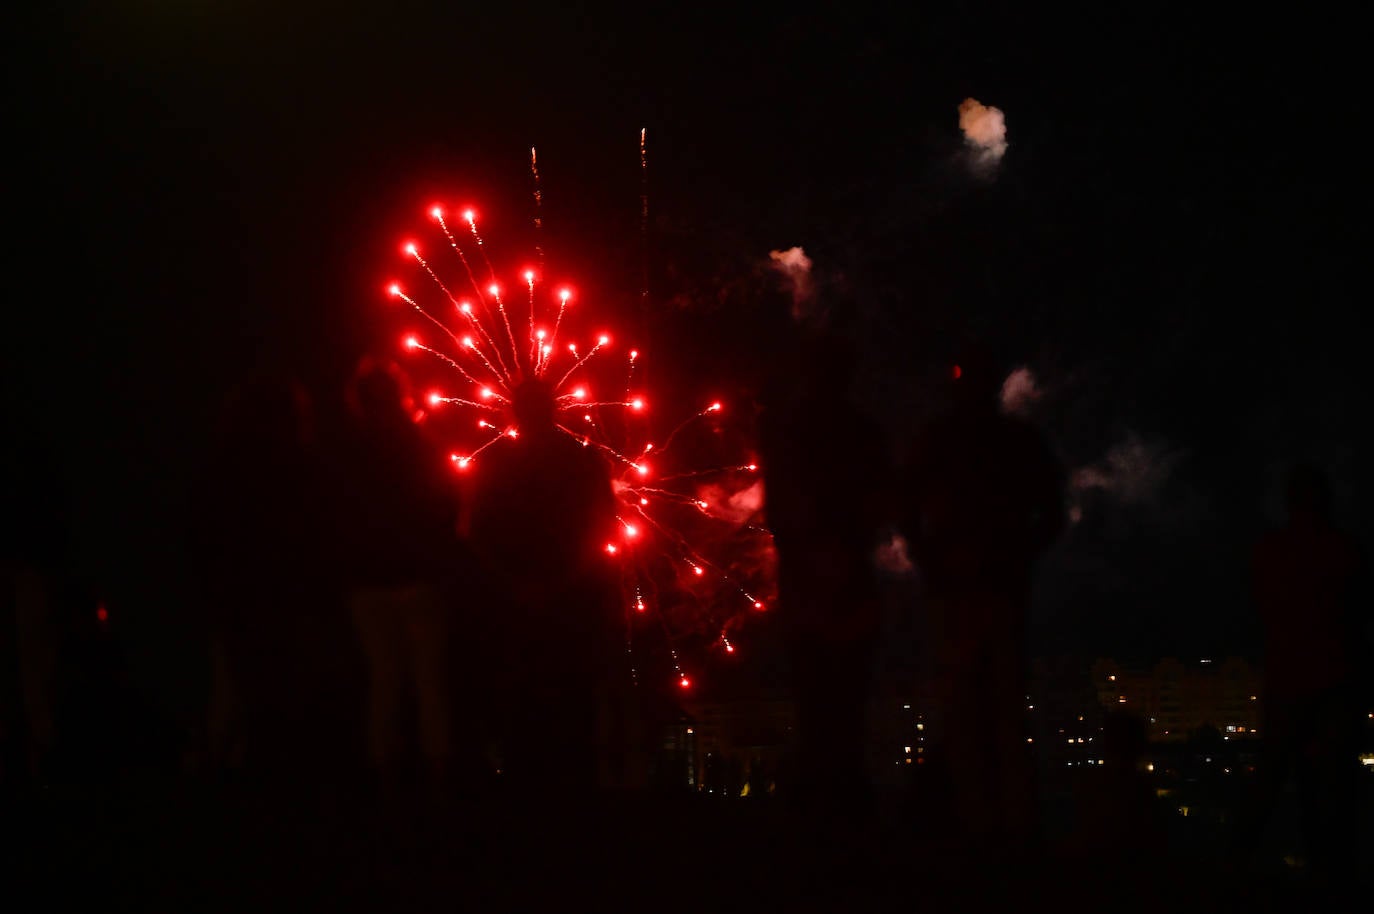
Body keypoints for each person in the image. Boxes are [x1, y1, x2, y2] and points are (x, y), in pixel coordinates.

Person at [895, 342, 1066, 850]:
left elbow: (906, 509)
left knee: (968, 711)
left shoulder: (940, 441)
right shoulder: (1017, 441)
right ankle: (1009, 831)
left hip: (964, 593)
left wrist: (932, 561)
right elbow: (1051, 514)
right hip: (999, 591)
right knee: (1003, 713)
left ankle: (980, 831)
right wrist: (1020, 558)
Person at [756, 314, 888, 832]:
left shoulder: (790, 432)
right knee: (845, 707)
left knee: (816, 704)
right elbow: (881, 504)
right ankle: (846, 813)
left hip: (812, 588)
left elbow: (780, 514)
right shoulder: (863, 434)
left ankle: (818, 817)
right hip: (845, 587)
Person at [462, 376, 622, 799]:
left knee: (523, 699)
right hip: (574, 598)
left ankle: (524, 795)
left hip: (515, 600)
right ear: (554, 408)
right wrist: (571, 579)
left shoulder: (494, 461)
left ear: (514, 410)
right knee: (573, 699)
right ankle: (576, 795)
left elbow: (473, 532)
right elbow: (606, 524)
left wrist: (513, 584)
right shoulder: (583, 458)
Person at [338, 355, 466, 804]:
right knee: (429, 679)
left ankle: (384, 774)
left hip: (368, 583)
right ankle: (437, 772)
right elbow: (449, 507)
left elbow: (337, 521)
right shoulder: (421, 446)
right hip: (418, 577)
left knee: (384, 678)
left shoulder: (348, 454)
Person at [1243, 462, 1367, 895]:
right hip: (1334, 683)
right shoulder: (1343, 550)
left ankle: (1233, 869)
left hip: (1288, 681)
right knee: (1333, 787)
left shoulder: (1270, 552)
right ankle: (1333, 878)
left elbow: (1265, 610)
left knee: (1272, 779)